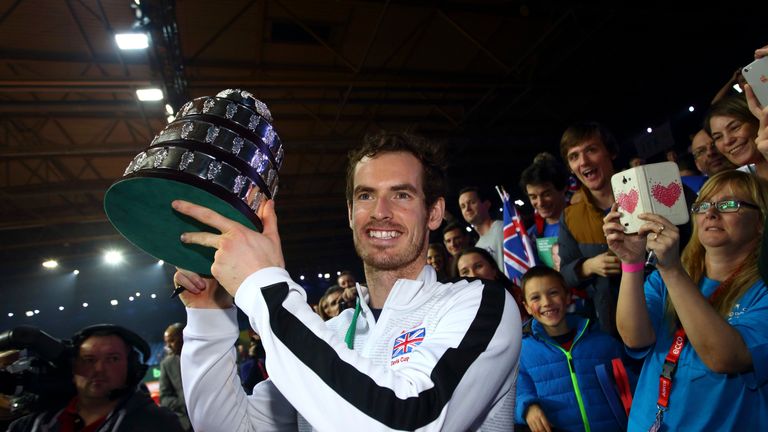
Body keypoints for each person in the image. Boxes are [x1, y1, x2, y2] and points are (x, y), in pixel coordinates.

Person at [172, 131, 522, 430]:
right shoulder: (333, 332)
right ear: (351, 214)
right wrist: (210, 316)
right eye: (365, 195)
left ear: (433, 213)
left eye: (401, 195)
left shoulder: (478, 303)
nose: (380, 211)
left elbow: (410, 420)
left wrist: (266, 285)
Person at [604, 170, 768, 430]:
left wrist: (671, 270)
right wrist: (631, 261)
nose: (711, 213)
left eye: (728, 205)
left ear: (761, 222)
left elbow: (724, 358)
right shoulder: (667, 277)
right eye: (703, 205)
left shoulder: (762, 290)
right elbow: (634, 337)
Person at [9, 324, 183, 432]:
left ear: (131, 369)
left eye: (112, 359)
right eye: (88, 360)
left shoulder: (158, 423)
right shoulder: (27, 426)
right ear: (73, 367)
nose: (99, 368)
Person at [515, 266, 626, 432]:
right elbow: (515, 394)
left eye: (553, 293)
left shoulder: (604, 343)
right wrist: (527, 408)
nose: (546, 303)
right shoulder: (521, 351)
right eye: (536, 297)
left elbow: (632, 388)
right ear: (527, 307)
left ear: (567, 296)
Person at [557, 122, 621, 336]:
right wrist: (589, 266)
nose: (583, 161)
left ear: (610, 152)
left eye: (591, 150)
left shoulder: (645, 193)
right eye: (574, 156)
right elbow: (564, 274)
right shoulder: (570, 217)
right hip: (609, 325)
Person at [705, 94, 768, 180]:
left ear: (757, 120)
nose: (727, 141)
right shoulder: (734, 187)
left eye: (734, 128)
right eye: (718, 137)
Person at [457, 247, 527, 321]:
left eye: (478, 266)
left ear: (493, 269)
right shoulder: (459, 313)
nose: (473, 275)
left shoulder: (517, 295)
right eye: (465, 272)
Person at [458, 186, 505, 272]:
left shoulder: (503, 229)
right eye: (463, 206)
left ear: (486, 204)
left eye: (472, 202)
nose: (467, 209)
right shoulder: (477, 246)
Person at [159, 323, 191, 431]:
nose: (168, 346)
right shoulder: (166, 364)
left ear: (183, 337)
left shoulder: (205, 356)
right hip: (185, 425)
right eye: (166, 342)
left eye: (172, 340)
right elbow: (164, 398)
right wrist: (186, 404)